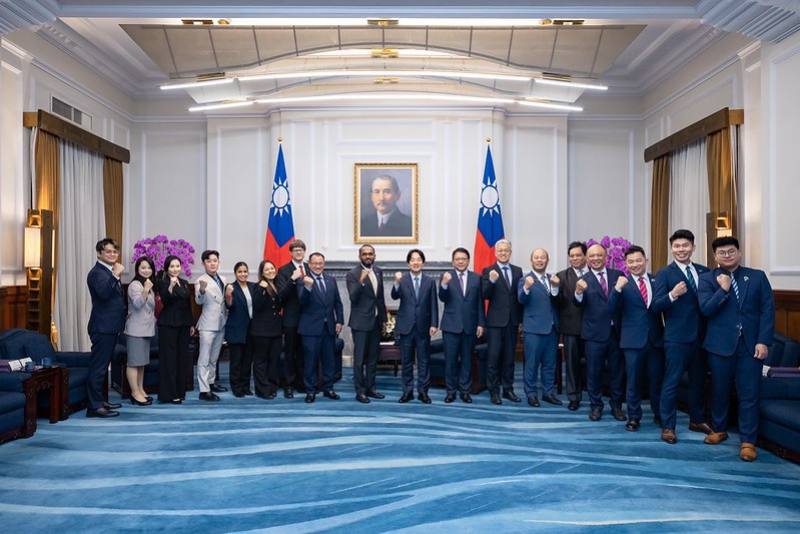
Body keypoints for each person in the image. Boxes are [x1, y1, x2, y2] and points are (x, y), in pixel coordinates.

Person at [698, 236, 775, 462]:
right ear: (715, 256)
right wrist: (722, 290)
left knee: (749, 394)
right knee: (719, 390)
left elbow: (767, 311)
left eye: (731, 251)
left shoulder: (757, 277)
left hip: (750, 347)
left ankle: (748, 441)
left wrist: (763, 341)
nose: (727, 255)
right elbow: (705, 310)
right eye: (722, 252)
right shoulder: (707, 280)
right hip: (719, 346)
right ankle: (719, 429)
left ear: (739, 252)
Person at [651, 229, 711, 444]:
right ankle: (668, 426)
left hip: (701, 338)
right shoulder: (664, 273)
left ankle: (696, 419)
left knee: (698, 382)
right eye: (676, 246)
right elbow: (656, 306)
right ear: (672, 248)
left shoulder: (705, 271)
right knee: (671, 382)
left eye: (685, 245)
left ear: (693, 247)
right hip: (676, 338)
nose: (681, 249)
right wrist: (672, 295)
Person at [608, 246, 664, 431]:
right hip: (632, 341)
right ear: (626, 263)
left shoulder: (657, 280)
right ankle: (633, 417)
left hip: (655, 340)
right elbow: (610, 310)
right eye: (630, 261)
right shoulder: (622, 284)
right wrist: (616, 289)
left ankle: (659, 413)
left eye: (638, 260)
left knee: (656, 380)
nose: (635, 264)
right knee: (633, 381)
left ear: (645, 260)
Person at [574, 243, 626, 422]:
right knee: (594, 372)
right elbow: (578, 304)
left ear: (606, 257)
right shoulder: (583, 279)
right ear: (587, 259)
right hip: (594, 335)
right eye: (592, 256)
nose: (595, 258)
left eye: (599, 255)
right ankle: (596, 406)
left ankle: (617, 405)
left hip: (616, 333)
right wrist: (578, 292)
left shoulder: (617, 275)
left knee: (617, 372)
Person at [391, 249, 439, 404]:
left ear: (423, 263)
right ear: (408, 263)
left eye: (419, 259)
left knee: (424, 361)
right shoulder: (402, 280)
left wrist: (434, 323)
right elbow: (394, 296)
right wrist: (396, 283)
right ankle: (407, 392)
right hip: (406, 327)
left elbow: (433, 304)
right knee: (406, 361)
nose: (416, 262)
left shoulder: (430, 281)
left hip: (423, 327)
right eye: (413, 260)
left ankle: (423, 392)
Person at [86, 238, 126, 418]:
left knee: (103, 367)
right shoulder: (97, 273)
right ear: (99, 253)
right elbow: (103, 294)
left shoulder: (107, 271)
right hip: (102, 327)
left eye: (115, 252)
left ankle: (101, 401)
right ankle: (94, 407)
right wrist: (116, 275)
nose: (112, 254)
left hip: (111, 327)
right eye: (108, 251)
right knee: (99, 368)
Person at [439, 247, 485, 404]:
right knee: (450, 361)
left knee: (467, 360)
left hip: (470, 326)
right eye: (457, 259)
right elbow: (443, 297)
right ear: (453, 261)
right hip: (451, 326)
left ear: (468, 261)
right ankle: (451, 391)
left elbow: (479, 302)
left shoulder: (476, 278)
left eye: (463, 259)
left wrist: (481, 323)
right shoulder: (446, 277)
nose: (460, 261)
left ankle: (465, 391)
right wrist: (444, 284)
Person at [298, 252, 344, 403]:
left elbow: (338, 302)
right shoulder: (303, 280)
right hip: (310, 329)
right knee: (310, 361)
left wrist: (339, 321)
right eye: (315, 263)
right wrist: (308, 287)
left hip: (329, 327)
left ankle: (328, 388)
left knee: (329, 360)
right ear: (309, 264)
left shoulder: (331, 280)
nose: (318, 266)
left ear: (324, 264)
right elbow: (301, 302)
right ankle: (310, 391)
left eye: (320, 263)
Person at [481, 239, 523, 405]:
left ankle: (508, 389)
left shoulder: (518, 271)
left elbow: (519, 297)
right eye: (500, 251)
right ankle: (494, 391)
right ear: (495, 253)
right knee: (493, 357)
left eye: (506, 250)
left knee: (509, 358)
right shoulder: (488, 270)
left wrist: (520, 321)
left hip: (512, 322)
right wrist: (491, 281)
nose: (503, 253)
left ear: (510, 252)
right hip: (495, 323)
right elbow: (484, 295)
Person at [518, 248, 561, 407]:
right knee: (532, 364)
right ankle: (531, 394)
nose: (539, 260)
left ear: (547, 260)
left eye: (543, 257)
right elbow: (521, 300)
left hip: (552, 328)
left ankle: (548, 393)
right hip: (534, 329)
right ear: (532, 261)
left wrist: (556, 287)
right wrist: (527, 288)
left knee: (550, 364)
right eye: (536, 257)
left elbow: (557, 301)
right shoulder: (525, 280)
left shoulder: (553, 279)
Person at [347, 244, 387, 403]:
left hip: (375, 322)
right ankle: (360, 391)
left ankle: (371, 388)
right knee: (359, 360)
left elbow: (380, 298)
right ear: (360, 256)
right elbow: (353, 297)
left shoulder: (378, 271)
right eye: (365, 254)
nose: (368, 256)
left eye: (370, 254)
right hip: (360, 323)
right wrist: (361, 281)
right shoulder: (352, 274)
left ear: (374, 256)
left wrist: (383, 319)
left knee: (372, 358)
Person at [251, 260, 294, 399]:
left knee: (273, 360)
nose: (271, 271)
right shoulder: (259, 286)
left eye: (272, 268)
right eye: (267, 269)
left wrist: (291, 281)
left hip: (275, 330)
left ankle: (272, 386)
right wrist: (262, 290)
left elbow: (281, 301)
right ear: (262, 273)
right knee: (261, 361)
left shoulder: (276, 285)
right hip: (261, 331)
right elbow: (257, 306)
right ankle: (262, 389)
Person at [556, 241, 589, 411]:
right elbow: (556, 301)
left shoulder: (594, 274)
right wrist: (554, 289)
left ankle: (593, 394)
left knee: (593, 363)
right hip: (570, 327)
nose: (575, 258)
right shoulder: (561, 276)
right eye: (572, 256)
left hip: (593, 328)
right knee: (571, 364)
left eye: (578, 255)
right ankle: (574, 397)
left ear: (585, 256)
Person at [156, 255, 193, 404]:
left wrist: (191, 324)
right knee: (169, 360)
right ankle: (169, 395)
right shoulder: (162, 281)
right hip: (168, 325)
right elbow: (166, 300)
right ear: (166, 268)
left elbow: (187, 304)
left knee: (181, 358)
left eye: (177, 266)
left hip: (184, 325)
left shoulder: (184, 283)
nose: (175, 269)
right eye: (172, 266)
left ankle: (180, 391)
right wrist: (170, 287)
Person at [277, 239, 310, 397]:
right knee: (289, 352)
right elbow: (281, 296)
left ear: (304, 252)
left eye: (301, 250)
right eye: (295, 250)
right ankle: (288, 384)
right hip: (290, 319)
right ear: (290, 252)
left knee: (304, 352)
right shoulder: (284, 270)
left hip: (308, 318)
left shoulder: (310, 268)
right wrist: (292, 279)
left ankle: (301, 382)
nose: (298, 252)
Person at [195, 250, 229, 400]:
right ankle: (204, 390)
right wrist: (202, 290)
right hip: (208, 324)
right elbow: (199, 301)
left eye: (215, 260)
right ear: (203, 264)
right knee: (204, 358)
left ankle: (211, 382)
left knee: (214, 357)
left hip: (221, 323)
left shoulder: (223, 278)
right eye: (209, 261)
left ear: (218, 262)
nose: (212, 263)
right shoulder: (200, 280)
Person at [124, 256, 156, 406]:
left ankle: (140, 389)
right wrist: (146, 290)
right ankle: (134, 393)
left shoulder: (148, 284)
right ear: (137, 269)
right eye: (143, 267)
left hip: (146, 329)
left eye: (149, 267)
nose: (146, 270)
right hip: (136, 329)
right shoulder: (135, 285)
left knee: (141, 362)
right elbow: (137, 304)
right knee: (133, 363)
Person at [225, 261, 257, 398]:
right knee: (236, 360)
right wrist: (228, 296)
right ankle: (236, 387)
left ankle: (245, 386)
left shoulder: (253, 286)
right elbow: (228, 305)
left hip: (251, 328)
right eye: (240, 271)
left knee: (247, 360)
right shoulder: (231, 287)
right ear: (235, 273)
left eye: (245, 271)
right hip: (236, 328)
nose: (243, 274)